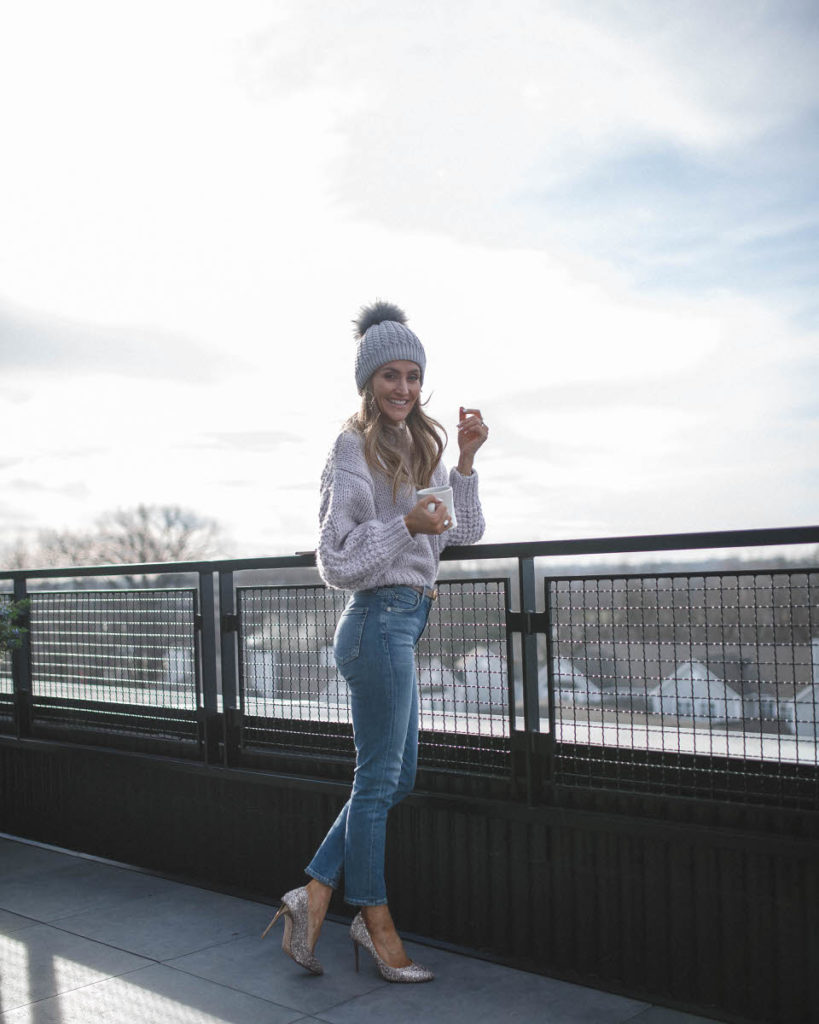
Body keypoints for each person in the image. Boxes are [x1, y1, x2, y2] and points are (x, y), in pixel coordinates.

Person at [263, 300, 489, 982]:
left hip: (407, 621)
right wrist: (404, 528)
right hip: (373, 622)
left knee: (396, 778)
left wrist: (468, 464)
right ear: (369, 381)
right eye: (390, 376)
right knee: (377, 780)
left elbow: (463, 532)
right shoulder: (350, 448)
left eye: (413, 376)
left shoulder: (425, 445)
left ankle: (314, 894)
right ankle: (374, 921)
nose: (403, 389)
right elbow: (335, 561)